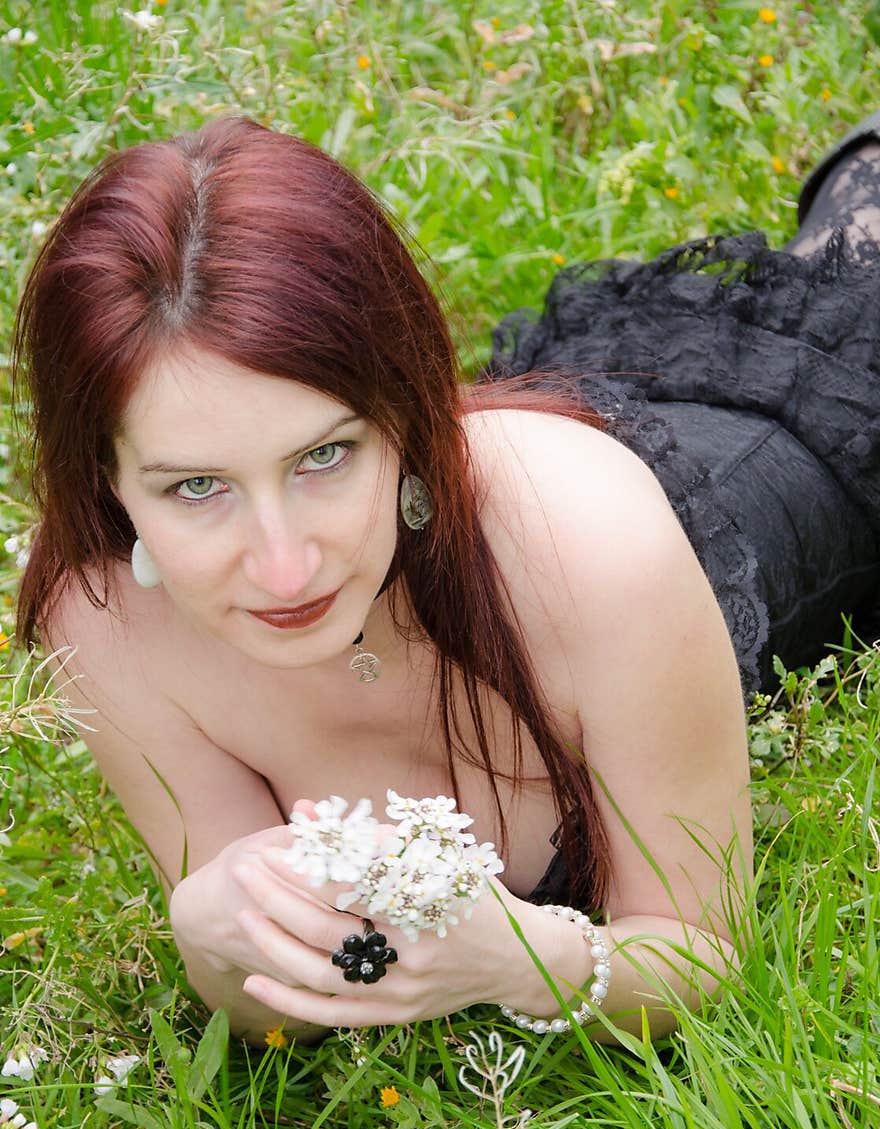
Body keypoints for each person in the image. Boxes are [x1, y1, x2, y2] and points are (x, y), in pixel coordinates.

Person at [10, 112, 880, 1049]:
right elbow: (277, 1001)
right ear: (106, 476)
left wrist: (522, 960)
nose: (282, 564)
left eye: (324, 456)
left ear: (401, 414)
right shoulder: (106, 623)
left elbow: (702, 946)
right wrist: (210, 937)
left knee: (856, 307)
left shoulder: (598, 547)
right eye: (196, 486)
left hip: (725, 485)